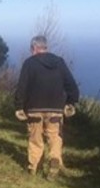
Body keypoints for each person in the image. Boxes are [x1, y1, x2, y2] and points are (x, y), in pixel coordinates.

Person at [14, 35, 79, 179]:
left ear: (34, 48)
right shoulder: (59, 62)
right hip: (56, 108)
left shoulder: (29, 63)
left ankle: (34, 167)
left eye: (31, 48)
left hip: (34, 108)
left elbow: (22, 87)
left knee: (35, 138)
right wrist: (71, 102)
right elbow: (71, 85)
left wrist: (19, 106)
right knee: (54, 136)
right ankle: (54, 159)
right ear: (46, 47)